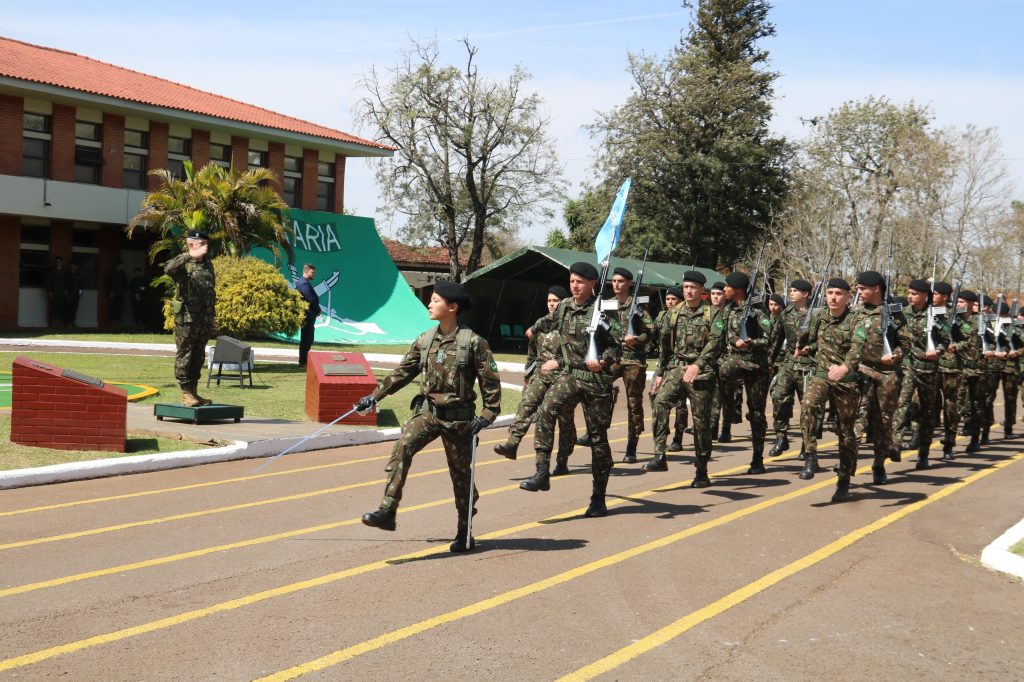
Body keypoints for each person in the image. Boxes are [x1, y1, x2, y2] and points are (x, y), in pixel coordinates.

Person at [358, 281, 501, 553]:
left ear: (453, 307)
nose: (429, 304)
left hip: (459, 419)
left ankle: (464, 531)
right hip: (428, 413)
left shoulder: (473, 342)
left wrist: (486, 416)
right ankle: (388, 509)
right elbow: (402, 372)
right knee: (402, 446)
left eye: (435, 300)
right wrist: (374, 396)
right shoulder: (425, 340)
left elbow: (491, 385)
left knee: (461, 477)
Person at [521, 261, 621, 518]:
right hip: (570, 374)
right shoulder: (565, 307)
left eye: (579, 282)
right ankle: (542, 471)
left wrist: (604, 361)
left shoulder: (604, 311)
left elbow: (615, 345)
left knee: (598, 439)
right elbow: (549, 319)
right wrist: (534, 328)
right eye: (572, 281)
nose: (574, 286)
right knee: (545, 410)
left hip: (595, 380)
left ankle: (598, 498)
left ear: (592, 284)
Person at [645, 271, 724, 484]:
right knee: (660, 403)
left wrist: (698, 365)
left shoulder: (712, 314)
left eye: (693, 287)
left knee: (701, 422)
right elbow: (664, 346)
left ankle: (701, 469)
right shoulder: (673, 313)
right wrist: (660, 373)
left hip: (701, 373)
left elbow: (716, 343)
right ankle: (660, 455)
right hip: (677, 369)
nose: (688, 291)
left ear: (702, 291)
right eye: (686, 287)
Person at [494, 286, 576, 473]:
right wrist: (527, 377)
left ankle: (562, 460)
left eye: (555, 300)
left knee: (565, 420)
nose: (552, 304)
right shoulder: (541, 326)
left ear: (564, 302)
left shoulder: (571, 325)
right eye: (549, 301)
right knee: (527, 404)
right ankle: (512, 444)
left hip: (564, 377)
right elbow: (532, 356)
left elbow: (578, 354)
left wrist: (560, 363)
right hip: (541, 375)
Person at [798, 278, 865, 499]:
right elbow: (817, 342)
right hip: (822, 375)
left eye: (838, 293)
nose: (833, 297)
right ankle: (810, 456)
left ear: (848, 296)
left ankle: (844, 479)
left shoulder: (857, 319)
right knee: (808, 404)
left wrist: (845, 367)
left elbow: (858, 347)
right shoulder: (819, 317)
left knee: (846, 432)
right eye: (829, 293)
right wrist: (807, 348)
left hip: (847, 380)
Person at [852, 270, 909, 485]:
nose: (859, 292)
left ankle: (878, 464)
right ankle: (850, 463)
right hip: (862, 370)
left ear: (876, 289)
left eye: (862, 289)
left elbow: (906, 343)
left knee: (883, 421)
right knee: (858, 416)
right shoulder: (856, 312)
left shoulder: (894, 313)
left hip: (887, 374)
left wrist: (895, 355)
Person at [719, 270, 773, 474]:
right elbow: (724, 336)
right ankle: (729, 412)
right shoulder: (728, 311)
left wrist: (751, 343)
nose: (724, 289)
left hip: (756, 366)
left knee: (756, 413)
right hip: (735, 361)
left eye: (727, 286)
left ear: (738, 289)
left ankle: (757, 458)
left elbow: (769, 339)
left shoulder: (758, 312)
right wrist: (735, 342)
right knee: (722, 371)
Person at [891, 279, 945, 469]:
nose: (909, 296)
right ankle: (895, 444)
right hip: (907, 367)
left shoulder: (936, 315)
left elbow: (945, 339)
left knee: (926, 413)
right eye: (909, 293)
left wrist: (937, 351)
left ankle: (924, 453)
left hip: (928, 369)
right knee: (902, 404)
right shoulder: (902, 314)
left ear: (924, 295)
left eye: (914, 294)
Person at [165, 231, 216, 407]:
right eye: (201, 243)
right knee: (185, 355)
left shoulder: (208, 264)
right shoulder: (183, 264)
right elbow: (168, 269)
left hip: (204, 319)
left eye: (206, 243)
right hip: (187, 318)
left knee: (198, 355)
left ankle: (193, 391)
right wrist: (189, 256)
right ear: (191, 244)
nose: (205, 247)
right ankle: (185, 393)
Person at [609, 267, 654, 463]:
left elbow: (650, 332)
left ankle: (632, 445)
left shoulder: (639, 307)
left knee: (633, 403)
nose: (616, 284)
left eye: (620, 281)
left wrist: (636, 338)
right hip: (611, 358)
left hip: (633, 359)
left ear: (629, 283)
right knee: (596, 390)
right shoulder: (606, 305)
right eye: (614, 281)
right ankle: (598, 431)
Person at [768, 279, 814, 457]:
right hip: (789, 362)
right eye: (791, 290)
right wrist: (770, 362)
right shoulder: (785, 314)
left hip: (809, 365)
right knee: (779, 396)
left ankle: (806, 443)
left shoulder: (817, 314)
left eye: (795, 290)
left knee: (807, 407)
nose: (791, 293)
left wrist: (811, 348)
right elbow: (776, 339)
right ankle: (781, 437)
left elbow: (823, 340)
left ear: (806, 294)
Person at [651, 286, 688, 452]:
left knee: (680, 403)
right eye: (668, 299)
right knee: (654, 395)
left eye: (674, 299)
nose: (670, 302)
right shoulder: (661, 316)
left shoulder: (683, 315)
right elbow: (652, 336)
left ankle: (678, 438)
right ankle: (662, 430)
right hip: (664, 361)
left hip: (680, 364)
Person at [296, 263, 321, 367]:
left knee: (308, 339)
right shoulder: (304, 284)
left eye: (314, 272)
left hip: (308, 316)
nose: (314, 274)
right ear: (306, 272)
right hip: (307, 316)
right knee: (306, 340)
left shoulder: (304, 282)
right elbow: (310, 299)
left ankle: (304, 361)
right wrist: (318, 309)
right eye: (312, 272)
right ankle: (303, 362)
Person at [47, 256, 67, 327]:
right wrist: (50, 291)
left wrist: (66, 290)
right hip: (54, 291)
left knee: (60, 306)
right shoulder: (52, 270)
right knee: (54, 306)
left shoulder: (64, 271)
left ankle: (58, 321)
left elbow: (66, 281)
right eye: (57, 261)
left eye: (60, 261)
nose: (58, 262)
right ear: (55, 262)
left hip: (62, 291)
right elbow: (49, 281)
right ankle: (53, 321)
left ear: (62, 262)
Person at [106, 260, 128, 325]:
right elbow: (108, 282)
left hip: (121, 293)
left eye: (123, 265)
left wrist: (125, 291)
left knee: (119, 308)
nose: (122, 266)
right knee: (113, 307)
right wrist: (110, 291)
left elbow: (125, 283)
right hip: (113, 293)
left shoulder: (123, 273)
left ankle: (117, 322)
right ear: (118, 265)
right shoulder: (111, 272)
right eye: (121, 265)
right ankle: (112, 322)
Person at [64, 262, 82, 328]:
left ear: (76, 267)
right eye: (72, 266)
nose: (74, 267)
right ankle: (68, 323)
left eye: (75, 266)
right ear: (70, 267)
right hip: (70, 295)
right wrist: (66, 295)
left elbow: (81, 286)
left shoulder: (78, 275)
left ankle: (73, 322)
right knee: (69, 309)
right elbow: (66, 286)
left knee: (74, 309)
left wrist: (80, 295)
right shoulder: (67, 275)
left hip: (76, 295)